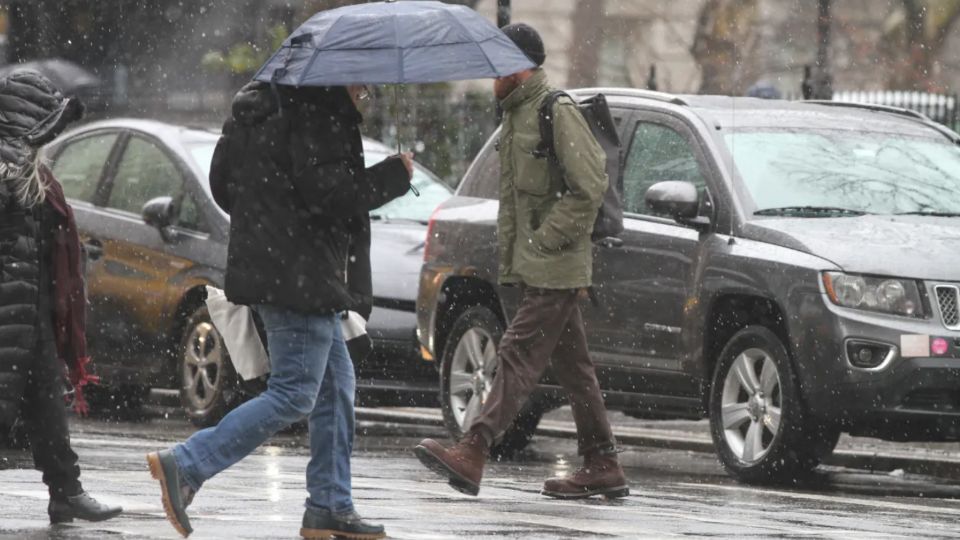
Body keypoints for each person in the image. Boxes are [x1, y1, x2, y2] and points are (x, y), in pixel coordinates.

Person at [147, 81, 412, 539]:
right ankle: (187, 465)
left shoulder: (258, 109)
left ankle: (330, 505)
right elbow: (331, 196)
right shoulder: (317, 115)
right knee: (293, 393)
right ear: (339, 77)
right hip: (302, 277)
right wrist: (394, 176)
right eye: (361, 82)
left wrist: (271, 214)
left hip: (278, 268)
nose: (365, 90)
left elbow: (223, 186)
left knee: (336, 389)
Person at [414, 23, 629, 500]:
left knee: (516, 353)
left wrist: (547, 239)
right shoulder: (517, 115)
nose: (490, 72)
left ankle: (474, 447)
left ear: (519, 66)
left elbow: (589, 184)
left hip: (557, 264)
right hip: (542, 265)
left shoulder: (556, 110)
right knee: (575, 368)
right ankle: (603, 462)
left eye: (496, 61)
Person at [0, 70, 123, 524]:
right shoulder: (10, 171)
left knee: (47, 405)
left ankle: (66, 491)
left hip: (29, 313)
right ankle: (66, 490)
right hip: (6, 312)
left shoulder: (33, 177)